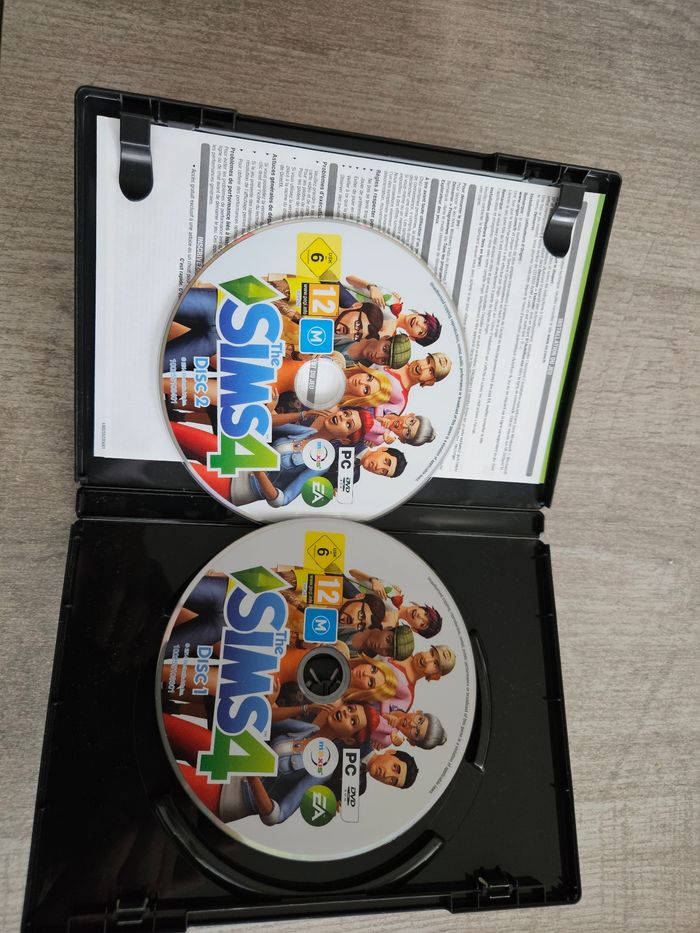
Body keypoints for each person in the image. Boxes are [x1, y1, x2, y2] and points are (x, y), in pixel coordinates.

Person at [343, 275, 442, 346]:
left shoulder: (387, 334)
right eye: (424, 321)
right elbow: (349, 278)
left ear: (412, 338)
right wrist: (371, 286)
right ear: (420, 314)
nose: (418, 324)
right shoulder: (394, 299)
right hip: (338, 290)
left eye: (421, 331)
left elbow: (353, 339)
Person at [375, 645, 457, 716]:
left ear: (435, 676)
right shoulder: (402, 646)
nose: (427, 660)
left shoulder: (406, 698)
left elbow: (382, 719)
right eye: (431, 653)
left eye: (435, 663)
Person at [373, 352, 452, 419]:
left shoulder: (400, 401)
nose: (422, 367)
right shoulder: (398, 355)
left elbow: (377, 423)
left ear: (429, 382)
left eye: (430, 371)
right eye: (428, 361)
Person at [333, 333, 411, 369]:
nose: (377, 356)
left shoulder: (359, 371)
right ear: (385, 337)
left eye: (383, 361)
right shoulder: (361, 324)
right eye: (384, 349)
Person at [339, 624, 414, 660]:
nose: (381, 647)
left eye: (388, 652)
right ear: (388, 628)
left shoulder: (363, 663)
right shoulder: (363, 615)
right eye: (388, 640)